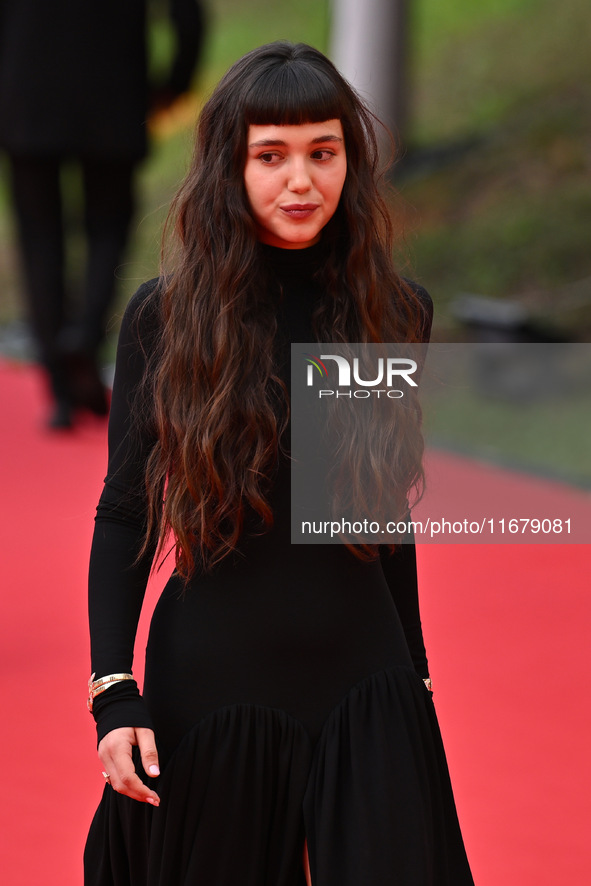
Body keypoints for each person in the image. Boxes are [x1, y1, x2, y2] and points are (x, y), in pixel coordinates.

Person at [84, 42, 474, 886]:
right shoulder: (168, 319)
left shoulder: (393, 313)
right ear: (231, 166)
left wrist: (416, 673)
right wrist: (114, 692)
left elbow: (372, 511)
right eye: (271, 156)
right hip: (214, 681)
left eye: (322, 153)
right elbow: (123, 513)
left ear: (350, 163)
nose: (300, 181)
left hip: (363, 678)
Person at [0, 0, 206, 428]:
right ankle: (86, 334)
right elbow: (186, 15)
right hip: (113, 90)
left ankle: (60, 386)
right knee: (108, 226)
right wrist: (175, 82)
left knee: (40, 237)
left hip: (27, 88)